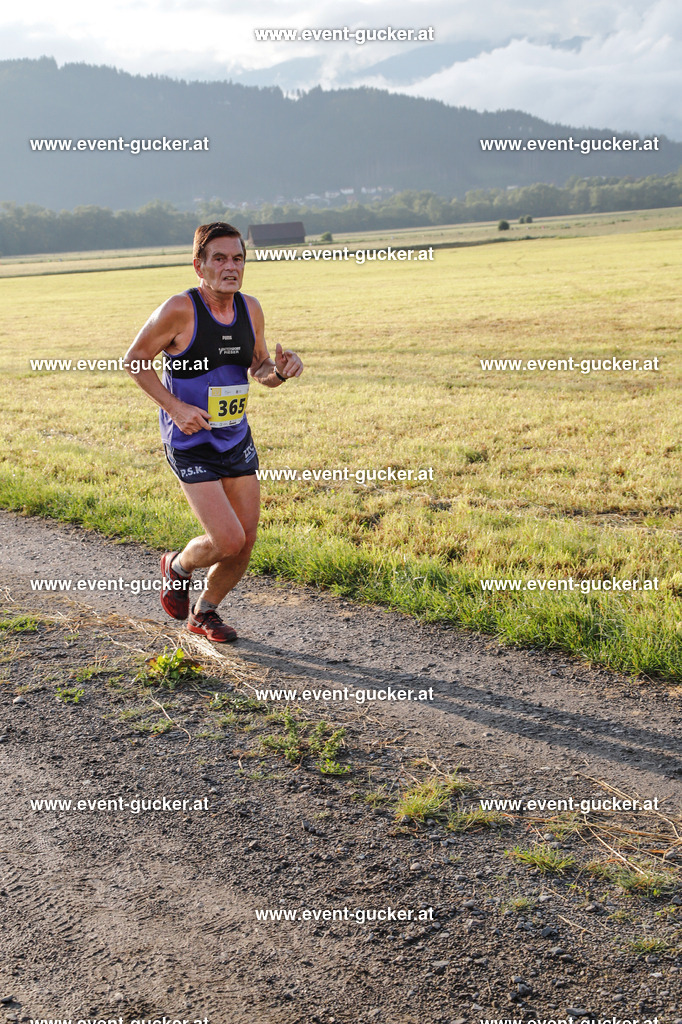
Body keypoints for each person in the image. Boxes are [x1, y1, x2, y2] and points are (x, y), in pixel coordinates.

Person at [123, 222, 303, 641]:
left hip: (235, 438)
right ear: (198, 266)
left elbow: (259, 369)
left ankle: (205, 612)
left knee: (246, 540)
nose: (230, 267)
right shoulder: (179, 309)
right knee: (226, 539)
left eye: (237, 258)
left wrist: (279, 370)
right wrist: (175, 407)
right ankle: (178, 566)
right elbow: (134, 359)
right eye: (219, 258)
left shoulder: (250, 308)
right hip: (190, 442)